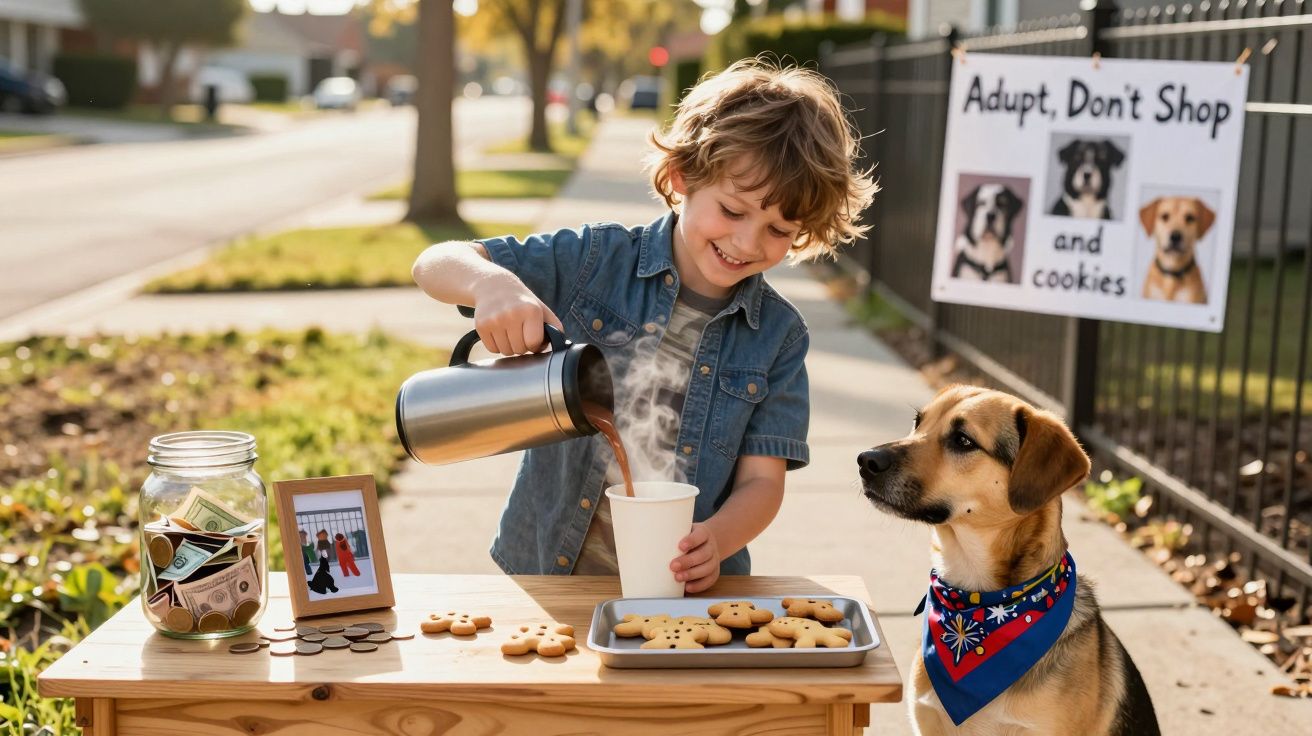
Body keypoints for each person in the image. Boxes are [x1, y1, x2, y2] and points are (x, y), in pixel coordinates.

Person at [411, 57, 875, 593]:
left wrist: (718, 540)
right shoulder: (596, 261)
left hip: (687, 590)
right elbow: (436, 262)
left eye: (778, 229)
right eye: (732, 210)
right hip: (547, 573)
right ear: (682, 176)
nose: (747, 243)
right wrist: (491, 285)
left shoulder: (778, 336)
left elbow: (761, 483)